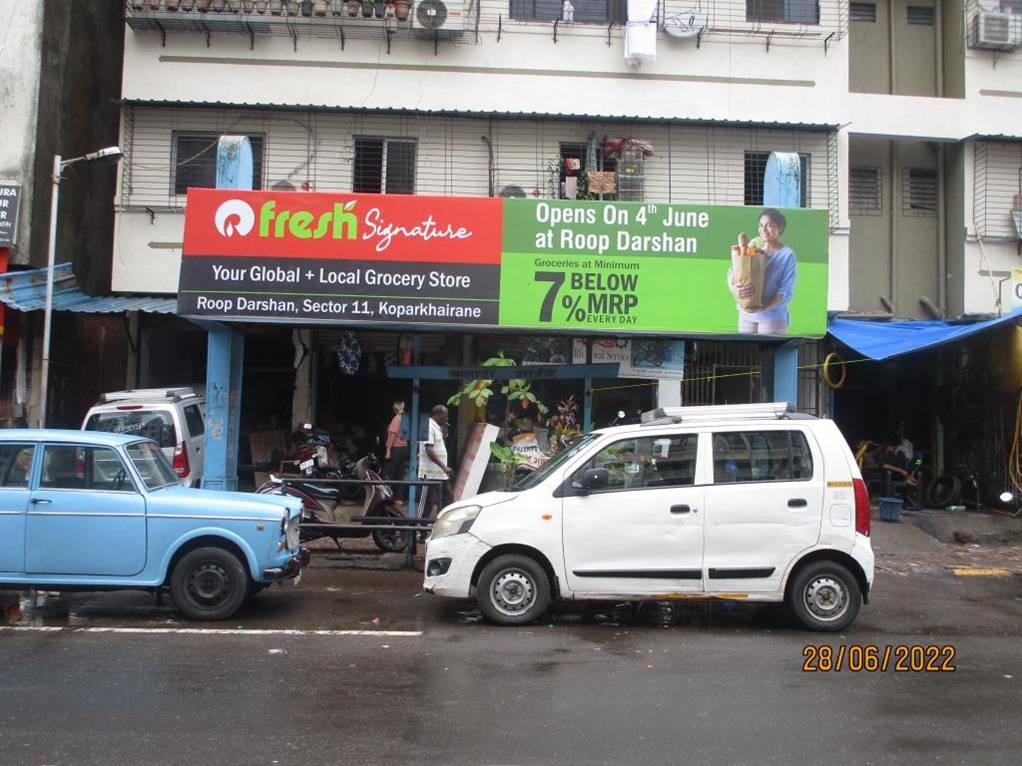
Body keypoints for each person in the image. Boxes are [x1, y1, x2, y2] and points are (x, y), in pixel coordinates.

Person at [728, 208, 798, 335]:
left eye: (769, 225)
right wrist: (735, 290)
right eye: (761, 225)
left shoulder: (787, 255)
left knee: (768, 353)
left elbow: (785, 291)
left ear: (780, 228)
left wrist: (763, 307)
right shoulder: (752, 248)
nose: (764, 230)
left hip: (772, 317)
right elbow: (732, 273)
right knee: (744, 353)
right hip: (746, 314)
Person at [418, 404, 454, 518]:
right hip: (430, 473)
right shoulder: (429, 426)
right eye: (445, 416)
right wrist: (444, 467)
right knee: (428, 503)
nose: (447, 419)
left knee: (449, 498)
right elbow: (429, 450)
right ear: (438, 414)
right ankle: (419, 529)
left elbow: (440, 446)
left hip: (440, 473)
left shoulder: (437, 427)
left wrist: (444, 433)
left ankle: (442, 523)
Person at [383, 400, 410, 504]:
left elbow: (393, 435)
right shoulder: (405, 419)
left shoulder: (396, 418)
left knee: (387, 473)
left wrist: (388, 450)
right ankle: (399, 499)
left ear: (394, 409)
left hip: (397, 448)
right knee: (399, 474)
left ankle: (385, 497)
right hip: (404, 448)